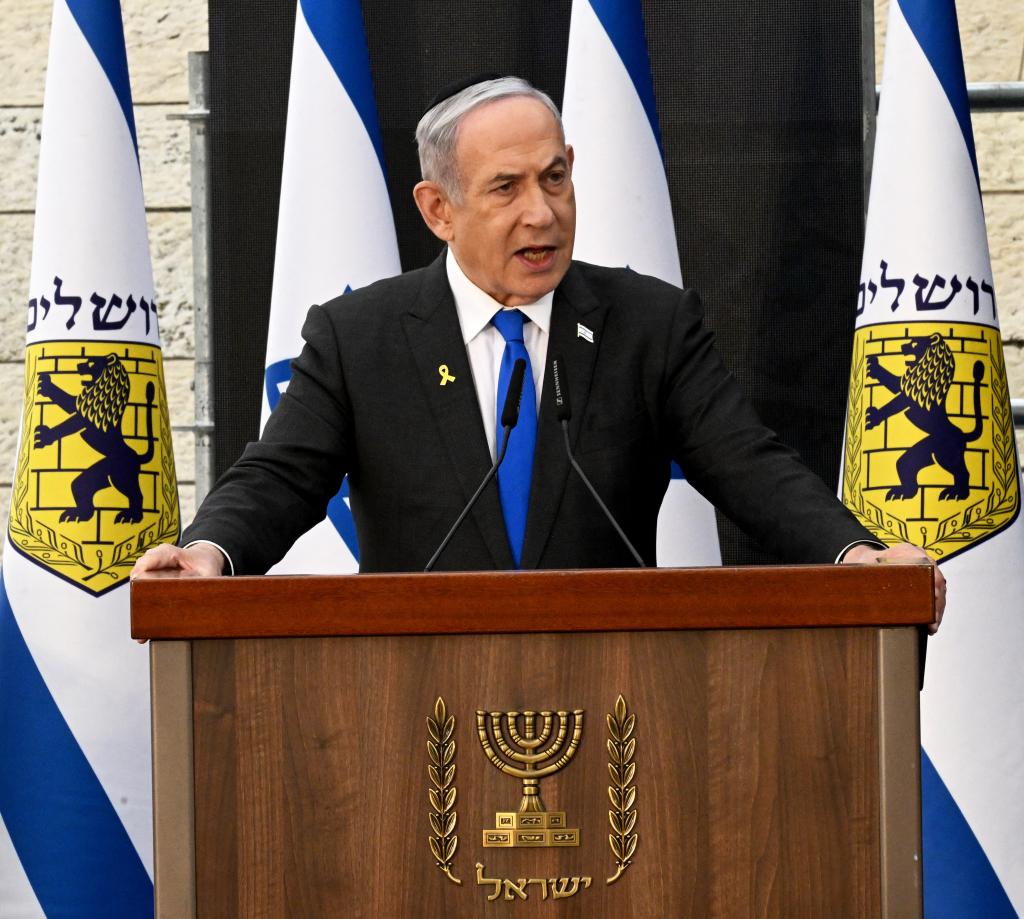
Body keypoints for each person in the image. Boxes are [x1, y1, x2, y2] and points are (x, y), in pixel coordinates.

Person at [132, 76, 945, 628]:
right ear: (437, 209)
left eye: (555, 179)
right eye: (506, 187)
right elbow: (280, 475)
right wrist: (207, 553)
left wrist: (857, 554)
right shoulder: (361, 338)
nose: (543, 213)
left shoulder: (647, 326)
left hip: (616, 705)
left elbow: (749, 464)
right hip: (417, 704)